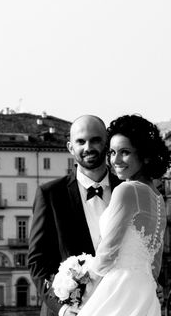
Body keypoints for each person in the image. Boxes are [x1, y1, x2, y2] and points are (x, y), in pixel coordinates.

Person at [75, 114, 170, 316]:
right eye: (112, 152)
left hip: (117, 290)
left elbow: (107, 252)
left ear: (144, 155)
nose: (115, 160)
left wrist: (81, 291)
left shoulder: (127, 190)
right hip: (145, 293)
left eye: (124, 152)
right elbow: (156, 262)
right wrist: (152, 288)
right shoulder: (158, 198)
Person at [28, 115, 122, 316]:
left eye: (96, 140)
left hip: (120, 305)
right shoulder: (50, 194)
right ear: (71, 147)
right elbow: (38, 263)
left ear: (107, 144)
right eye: (81, 141)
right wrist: (62, 308)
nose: (88, 147)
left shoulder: (127, 190)